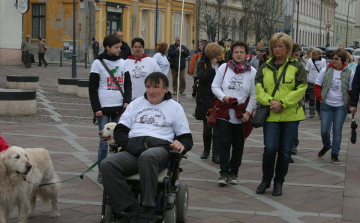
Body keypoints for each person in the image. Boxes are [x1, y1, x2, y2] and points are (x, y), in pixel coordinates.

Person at [100, 72, 193, 223]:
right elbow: (121, 131)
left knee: (148, 156)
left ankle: (148, 208)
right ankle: (131, 207)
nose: (151, 91)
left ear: (166, 89)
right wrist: (130, 145)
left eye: (156, 87)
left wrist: (181, 144)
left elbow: (186, 138)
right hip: (133, 150)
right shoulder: (136, 104)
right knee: (107, 164)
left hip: (159, 150)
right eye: (148, 87)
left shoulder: (174, 107)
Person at [255, 33, 307, 196]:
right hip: (271, 114)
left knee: (285, 151)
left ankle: (279, 182)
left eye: (280, 46)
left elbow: (301, 88)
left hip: (290, 115)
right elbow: (258, 87)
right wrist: (271, 102)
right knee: (270, 149)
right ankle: (266, 179)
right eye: (274, 46)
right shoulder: (264, 67)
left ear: (288, 49)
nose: (277, 49)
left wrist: (283, 103)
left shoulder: (297, 66)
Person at [212, 41, 257, 185]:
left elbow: (254, 94)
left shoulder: (252, 71)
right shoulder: (224, 68)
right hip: (224, 112)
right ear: (232, 53)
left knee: (238, 145)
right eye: (236, 52)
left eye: (242, 52)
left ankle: (234, 173)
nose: (239, 54)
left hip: (241, 113)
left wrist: (248, 113)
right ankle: (224, 173)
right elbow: (215, 86)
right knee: (224, 143)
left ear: (246, 54)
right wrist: (224, 97)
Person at [89, 34, 132, 183]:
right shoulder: (98, 63)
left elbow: (127, 84)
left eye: (120, 47)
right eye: (116, 47)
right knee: (103, 143)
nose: (120, 49)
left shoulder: (123, 62)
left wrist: (127, 102)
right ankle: (102, 172)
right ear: (108, 48)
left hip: (120, 108)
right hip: (103, 108)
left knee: (121, 141)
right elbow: (93, 88)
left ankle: (119, 169)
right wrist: (96, 108)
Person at [314, 49, 355, 164]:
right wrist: (321, 99)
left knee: (337, 131)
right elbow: (317, 85)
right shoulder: (326, 70)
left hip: (341, 106)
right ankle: (327, 145)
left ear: (342, 60)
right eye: (332, 58)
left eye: (337, 59)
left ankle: (335, 153)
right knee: (324, 131)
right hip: (326, 105)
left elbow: (352, 90)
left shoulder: (349, 72)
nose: (334, 60)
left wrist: (351, 104)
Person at [194, 43, 224, 164]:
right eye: (219, 53)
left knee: (217, 129)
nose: (221, 55)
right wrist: (211, 67)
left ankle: (215, 153)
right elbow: (202, 78)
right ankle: (206, 150)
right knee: (207, 128)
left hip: (219, 99)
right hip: (205, 99)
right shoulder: (203, 63)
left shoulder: (223, 64)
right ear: (213, 54)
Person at [305, 48, 327, 118]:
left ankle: (319, 111)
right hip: (311, 81)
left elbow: (324, 70)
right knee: (311, 97)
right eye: (314, 55)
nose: (315, 56)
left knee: (319, 97)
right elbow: (307, 70)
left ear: (319, 55)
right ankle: (312, 111)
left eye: (316, 55)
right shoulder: (309, 61)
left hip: (320, 81)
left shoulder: (323, 61)